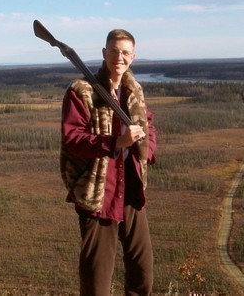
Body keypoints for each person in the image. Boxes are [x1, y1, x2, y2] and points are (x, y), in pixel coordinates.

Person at [60, 28, 157, 296]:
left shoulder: (133, 90)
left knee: (143, 272)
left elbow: (148, 124)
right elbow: (72, 139)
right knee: (97, 280)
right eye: (114, 51)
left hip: (131, 193)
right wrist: (116, 143)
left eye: (125, 52)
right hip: (98, 195)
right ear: (104, 53)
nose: (119, 57)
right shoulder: (82, 91)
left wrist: (146, 151)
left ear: (133, 57)